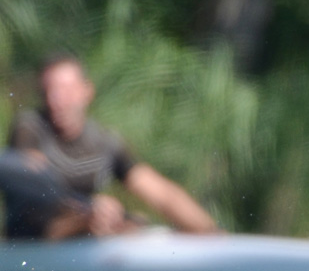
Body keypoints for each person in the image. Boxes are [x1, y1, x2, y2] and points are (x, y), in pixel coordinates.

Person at [0, 53, 221, 240]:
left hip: (86, 233)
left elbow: (161, 192)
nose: (55, 100)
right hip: (37, 235)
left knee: (136, 223)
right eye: (49, 91)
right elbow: (37, 191)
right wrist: (88, 211)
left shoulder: (105, 142)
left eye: (65, 90)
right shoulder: (29, 127)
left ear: (86, 91)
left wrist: (213, 233)